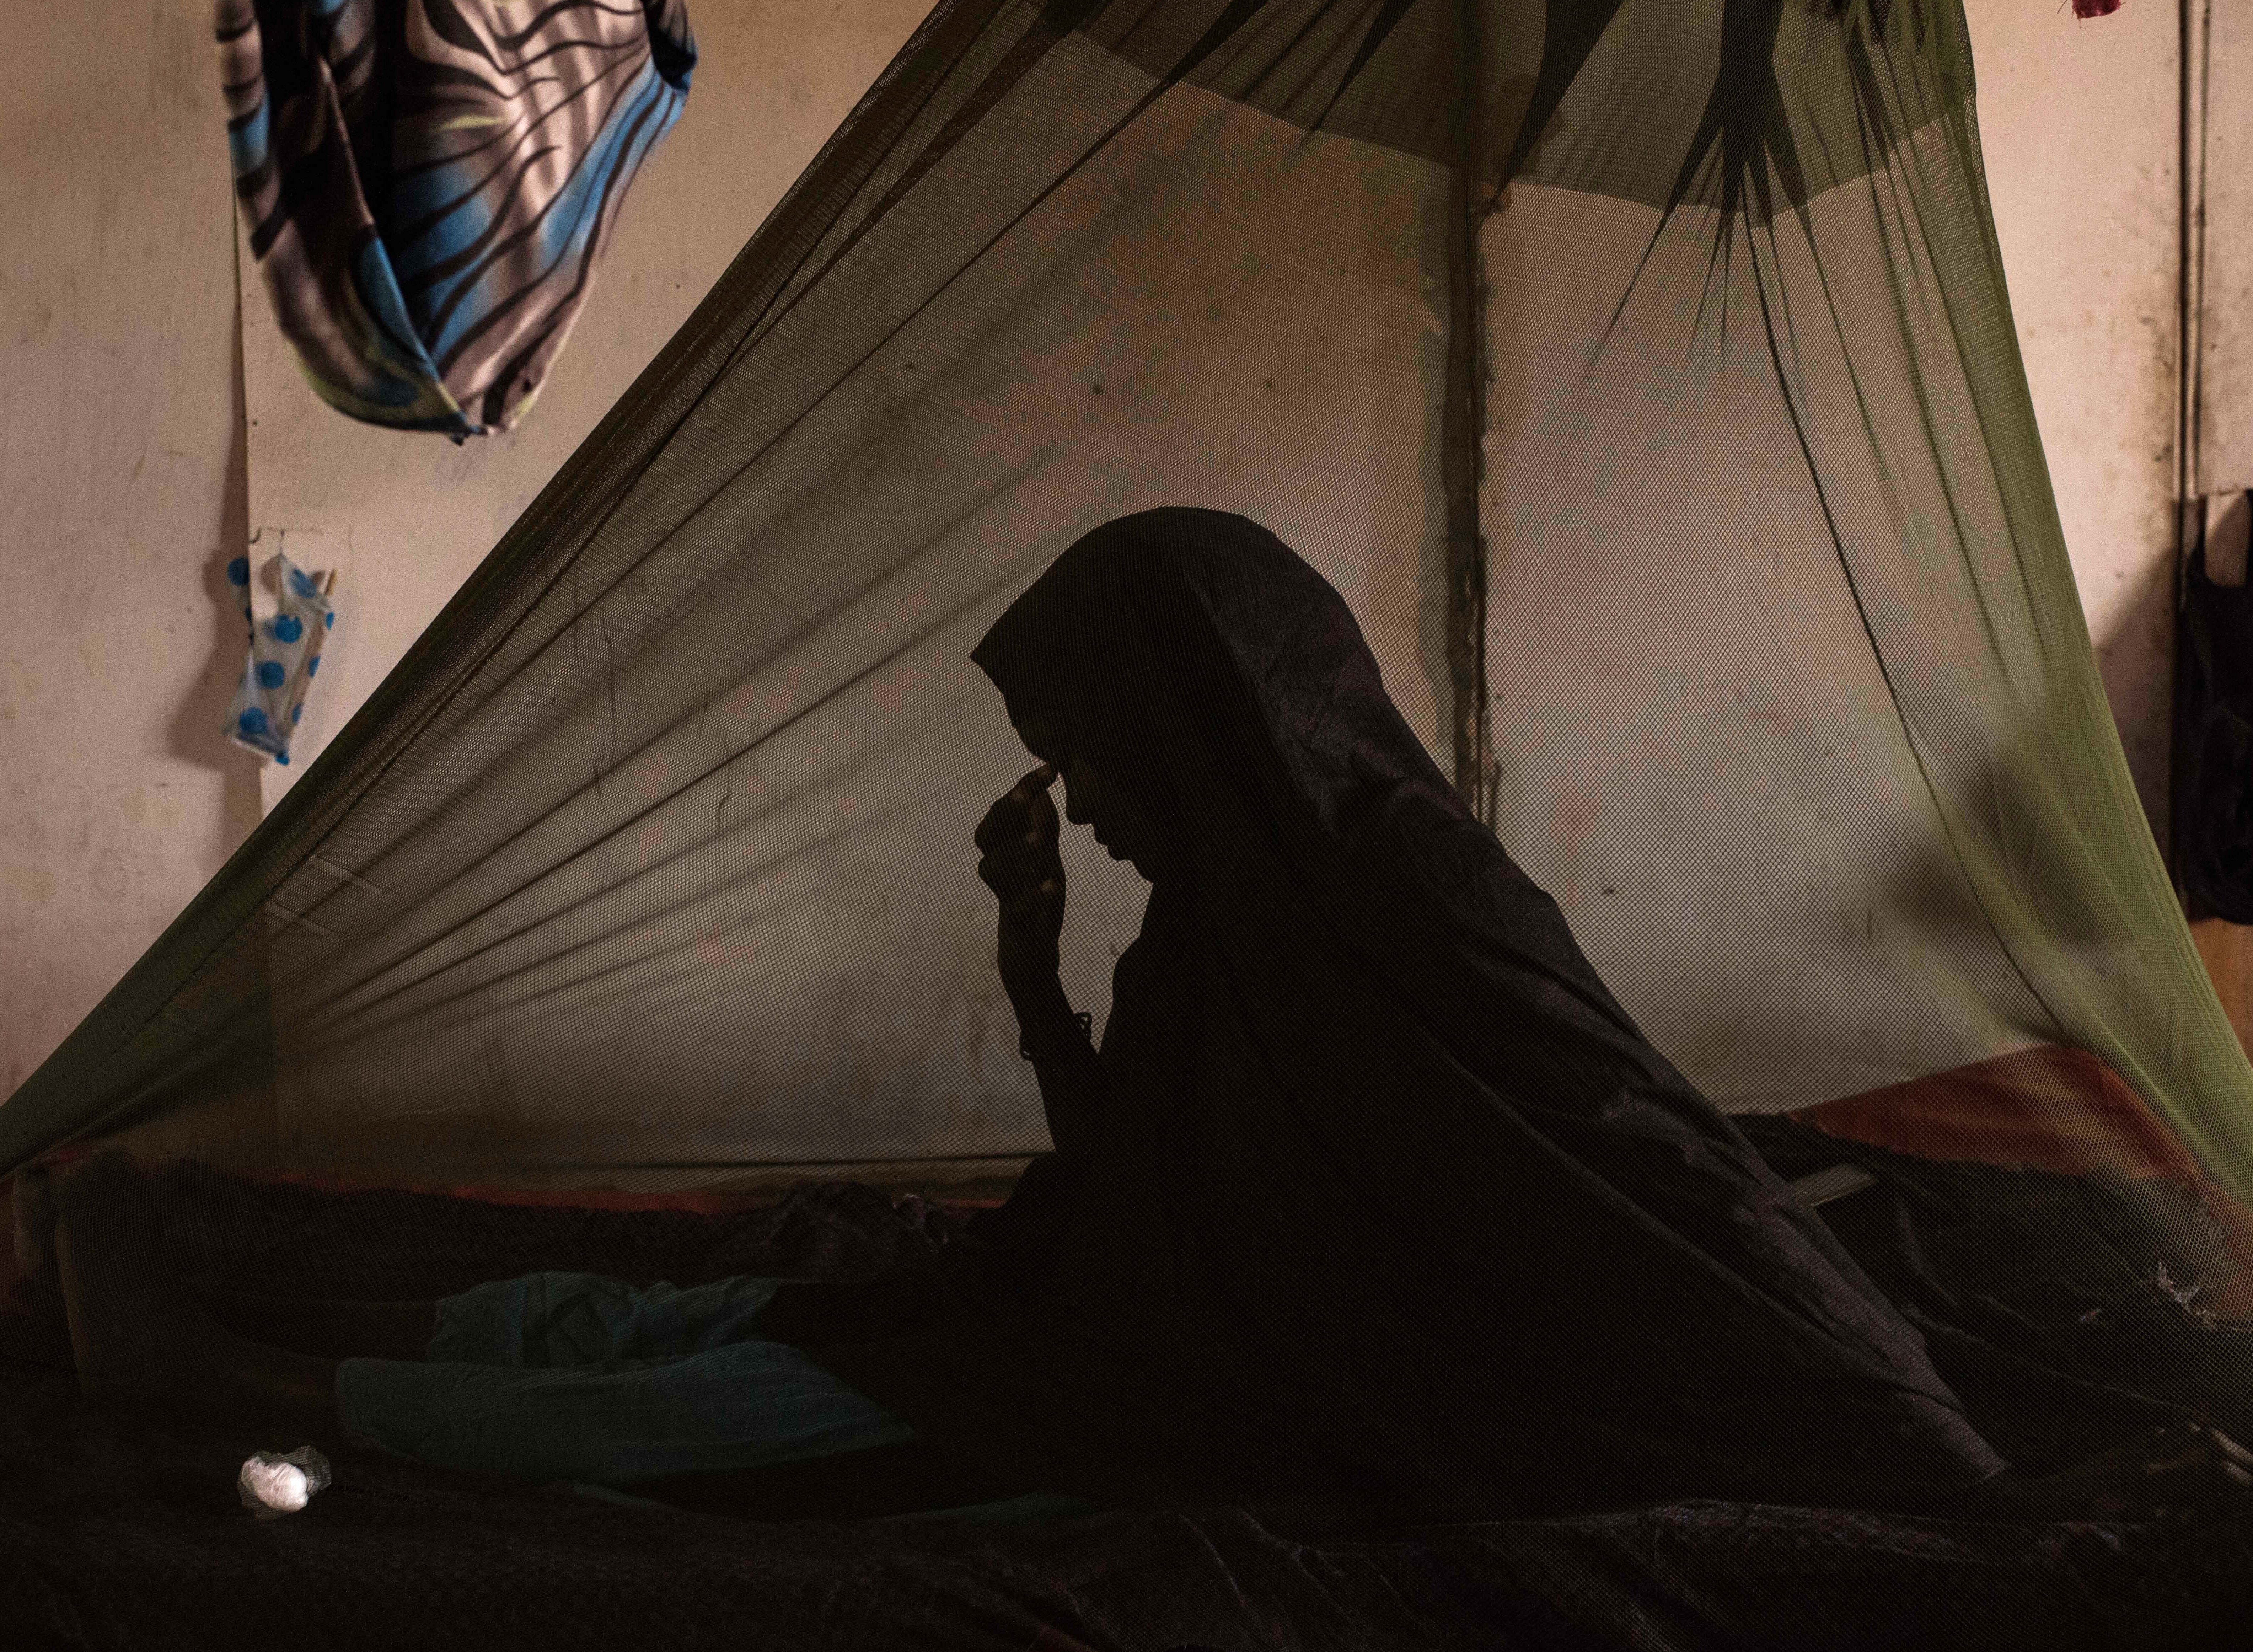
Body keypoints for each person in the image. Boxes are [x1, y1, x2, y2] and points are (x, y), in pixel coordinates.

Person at [28, 508, 2253, 1524]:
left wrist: (1908, 1443)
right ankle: (255, 1320)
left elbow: (1637, 1164)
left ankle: (271, 1385)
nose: (1081, 800)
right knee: (655, 1322)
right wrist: (1029, 964)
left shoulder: (1402, 905)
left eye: (1093, 754)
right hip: (1110, 1312)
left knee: (696, 1407)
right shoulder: (1230, 913)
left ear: (1200, 729)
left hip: (1189, 1376)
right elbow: (1135, 1187)